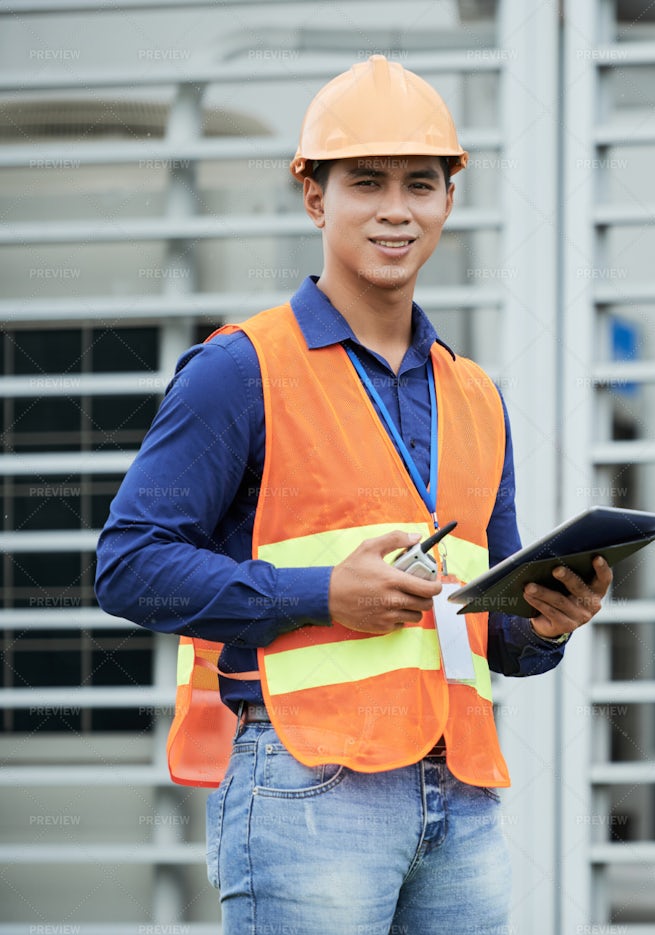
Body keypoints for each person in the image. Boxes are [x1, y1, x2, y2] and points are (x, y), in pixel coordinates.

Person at [95, 55, 609, 934]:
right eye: (365, 182)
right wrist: (324, 592)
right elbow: (128, 565)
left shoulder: (477, 396)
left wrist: (546, 622)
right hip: (305, 789)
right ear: (314, 198)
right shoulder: (240, 369)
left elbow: (491, 633)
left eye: (421, 182)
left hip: (462, 792)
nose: (396, 209)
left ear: (450, 198)